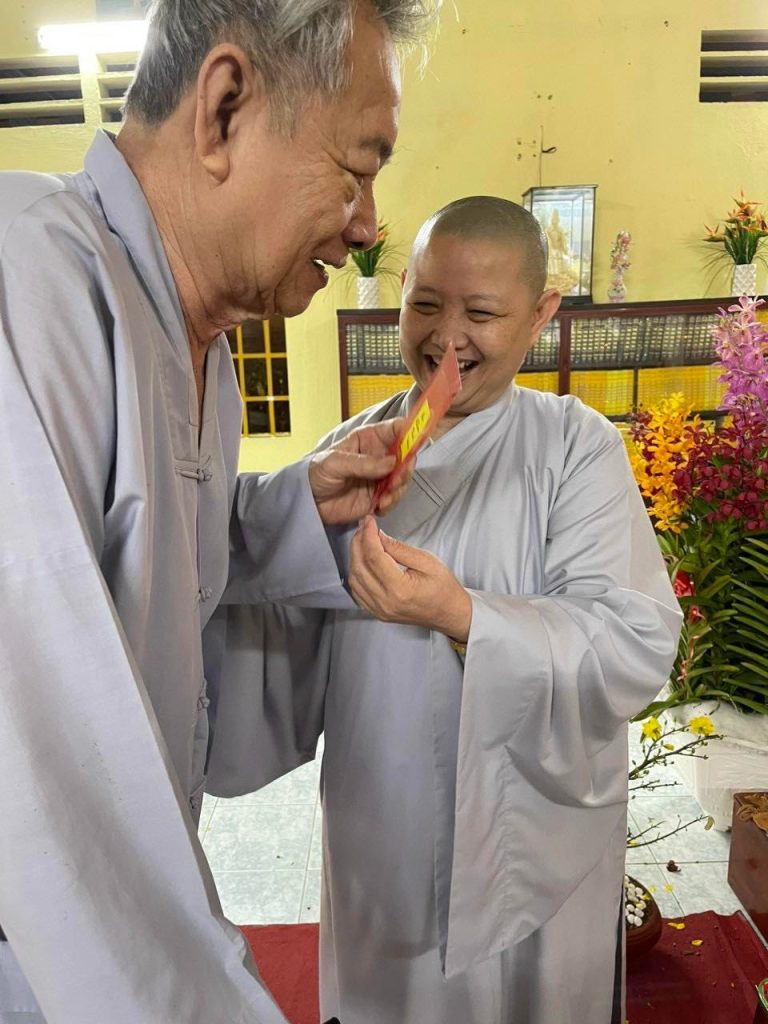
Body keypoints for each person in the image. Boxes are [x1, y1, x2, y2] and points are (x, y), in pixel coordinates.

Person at [0, 1, 437, 1021]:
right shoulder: (32, 279)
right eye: (357, 168)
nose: (367, 226)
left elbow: (143, 546)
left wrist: (296, 509)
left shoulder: (201, 348)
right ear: (225, 107)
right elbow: (51, 752)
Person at [207, 197, 683, 1023]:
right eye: (425, 303)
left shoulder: (576, 447)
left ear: (540, 314)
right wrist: (303, 518)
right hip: (381, 817)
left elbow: (633, 641)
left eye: (481, 314)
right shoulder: (354, 448)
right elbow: (260, 619)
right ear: (399, 292)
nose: (445, 338)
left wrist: (466, 616)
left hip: (530, 836)